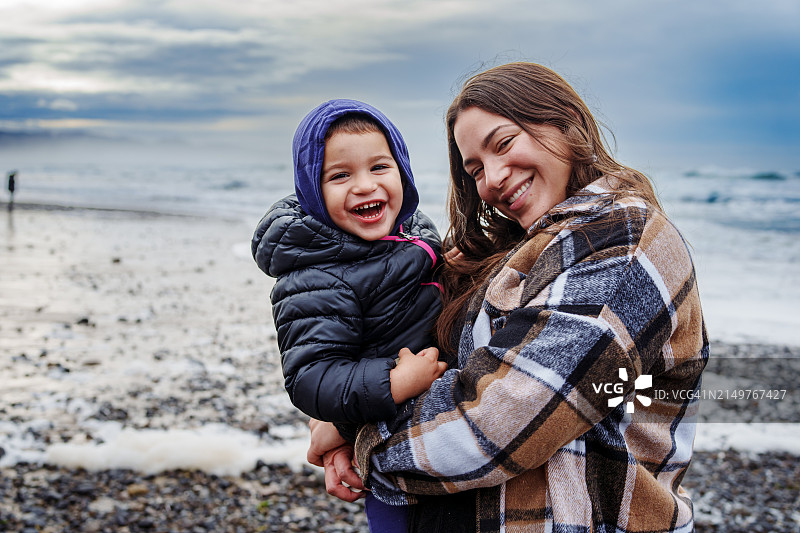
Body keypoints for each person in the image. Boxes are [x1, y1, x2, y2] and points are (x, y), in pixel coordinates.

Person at [308, 63, 709, 532]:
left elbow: (500, 419)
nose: (493, 178)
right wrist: (340, 408)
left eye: (504, 144)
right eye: (475, 169)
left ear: (565, 123)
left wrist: (354, 431)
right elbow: (397, 341)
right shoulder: (514, 250)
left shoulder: (622, 243)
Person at [251, 99, 447, 533]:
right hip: (392, 458)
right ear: (312, 191)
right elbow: (311, 377)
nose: (364, 185)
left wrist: (337, 427)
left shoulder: (417, 234)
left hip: (432, 428)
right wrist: (393, 382)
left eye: (380, 167)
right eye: (339, 175)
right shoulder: (316, 276)